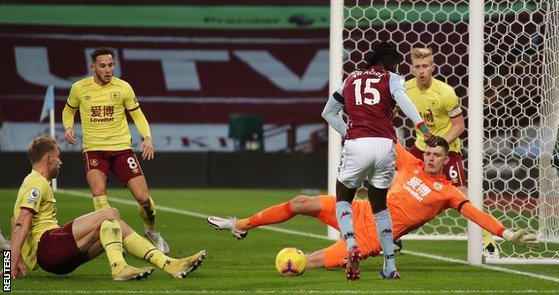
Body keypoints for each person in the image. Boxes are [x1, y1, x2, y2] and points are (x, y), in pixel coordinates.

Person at [206, 136, 539, 271]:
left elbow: (475, 213)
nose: (432, 158)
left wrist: (506, 233)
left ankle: (300, 259)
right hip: (360, 209)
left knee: (302, 264)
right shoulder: (412, 163)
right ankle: (240, 225)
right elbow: (387, 139)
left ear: (447, 158)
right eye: (430, 153)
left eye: (438, 155)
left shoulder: (449, 192)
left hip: (373, 237)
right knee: (300, 201)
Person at [9, 136, 205, 281]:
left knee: (113, 225)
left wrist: (19, 259)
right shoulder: (36, 183)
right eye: (58, 157)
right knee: (110, 213)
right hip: (49, 247)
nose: (61, 162)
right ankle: (119, 268)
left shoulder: (34, 182)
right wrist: (10, 263)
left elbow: (14, 220)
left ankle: (169, 264)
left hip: (55, 259)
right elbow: (22, 221)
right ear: (48, 158)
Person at [320, 42, 431, 280]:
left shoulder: (350, 79)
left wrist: (347, 131)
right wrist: (423, 127)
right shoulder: (391, 78)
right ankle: (389, 265)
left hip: (358, 142)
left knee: (343, 198)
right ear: (391, 61)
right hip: (385, 145)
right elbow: (403, 100)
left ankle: (351, 245)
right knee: (379, 205)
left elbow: (327, 112)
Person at [62, 47, 169, 254]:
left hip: (122, 150)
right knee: (99, 194)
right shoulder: (79, 88)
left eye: (111, 65)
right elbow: (68, 110)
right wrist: (68, 127)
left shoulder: (123, 88)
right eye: (103, 66)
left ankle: (151, 230)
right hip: (94, 150)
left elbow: (138, 115)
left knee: (144, 199)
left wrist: (147, 138)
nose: (108, 69)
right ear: (93, 67)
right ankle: (113, 244)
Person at [404, 46, 497, 256]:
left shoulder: (445, 92)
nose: (421, 71)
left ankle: (487, 240)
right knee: (398, 186)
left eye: (425, 66)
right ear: (412, 68)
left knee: (460, 195)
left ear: (433, 67)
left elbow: (459, 125)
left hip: (448, 150)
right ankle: (390, 237)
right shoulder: (405, 89)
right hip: (419, 148)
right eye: (417, 66)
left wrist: (439, 145)